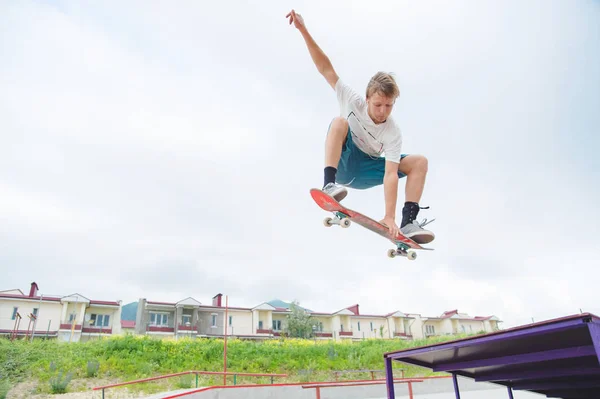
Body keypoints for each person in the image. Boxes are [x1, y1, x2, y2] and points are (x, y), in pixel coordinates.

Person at [286, 9, 434, 244]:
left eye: (388, 106)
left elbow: (390, 175)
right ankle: (329, 184)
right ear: (367, 99)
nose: (383, 112)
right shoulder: (351, 100)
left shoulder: (392, 131)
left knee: (419, 162)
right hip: (344, 163)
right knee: (339, 122)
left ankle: (408, 222)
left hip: (369, 170)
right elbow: (325, 68)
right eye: (378, 105)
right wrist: (303, 30)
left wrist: (388, 216)